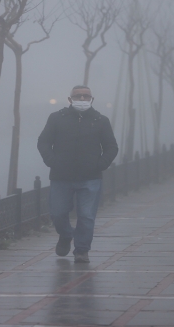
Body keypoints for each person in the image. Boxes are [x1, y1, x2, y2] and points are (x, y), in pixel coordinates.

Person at [37, 85, 118, 263]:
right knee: (57, 213)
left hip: (90, 178)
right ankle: (66, 235)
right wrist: (52, 161)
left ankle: (82, 250)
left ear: (91, 99)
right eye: (78, 96)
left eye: (86, 96)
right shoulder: (57, 118)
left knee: (86, 216)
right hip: (61, 177)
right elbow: (43, 142)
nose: (82, 99)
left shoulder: (100, 120)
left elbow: (111, 147)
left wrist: (100, 165)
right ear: (70, 99)